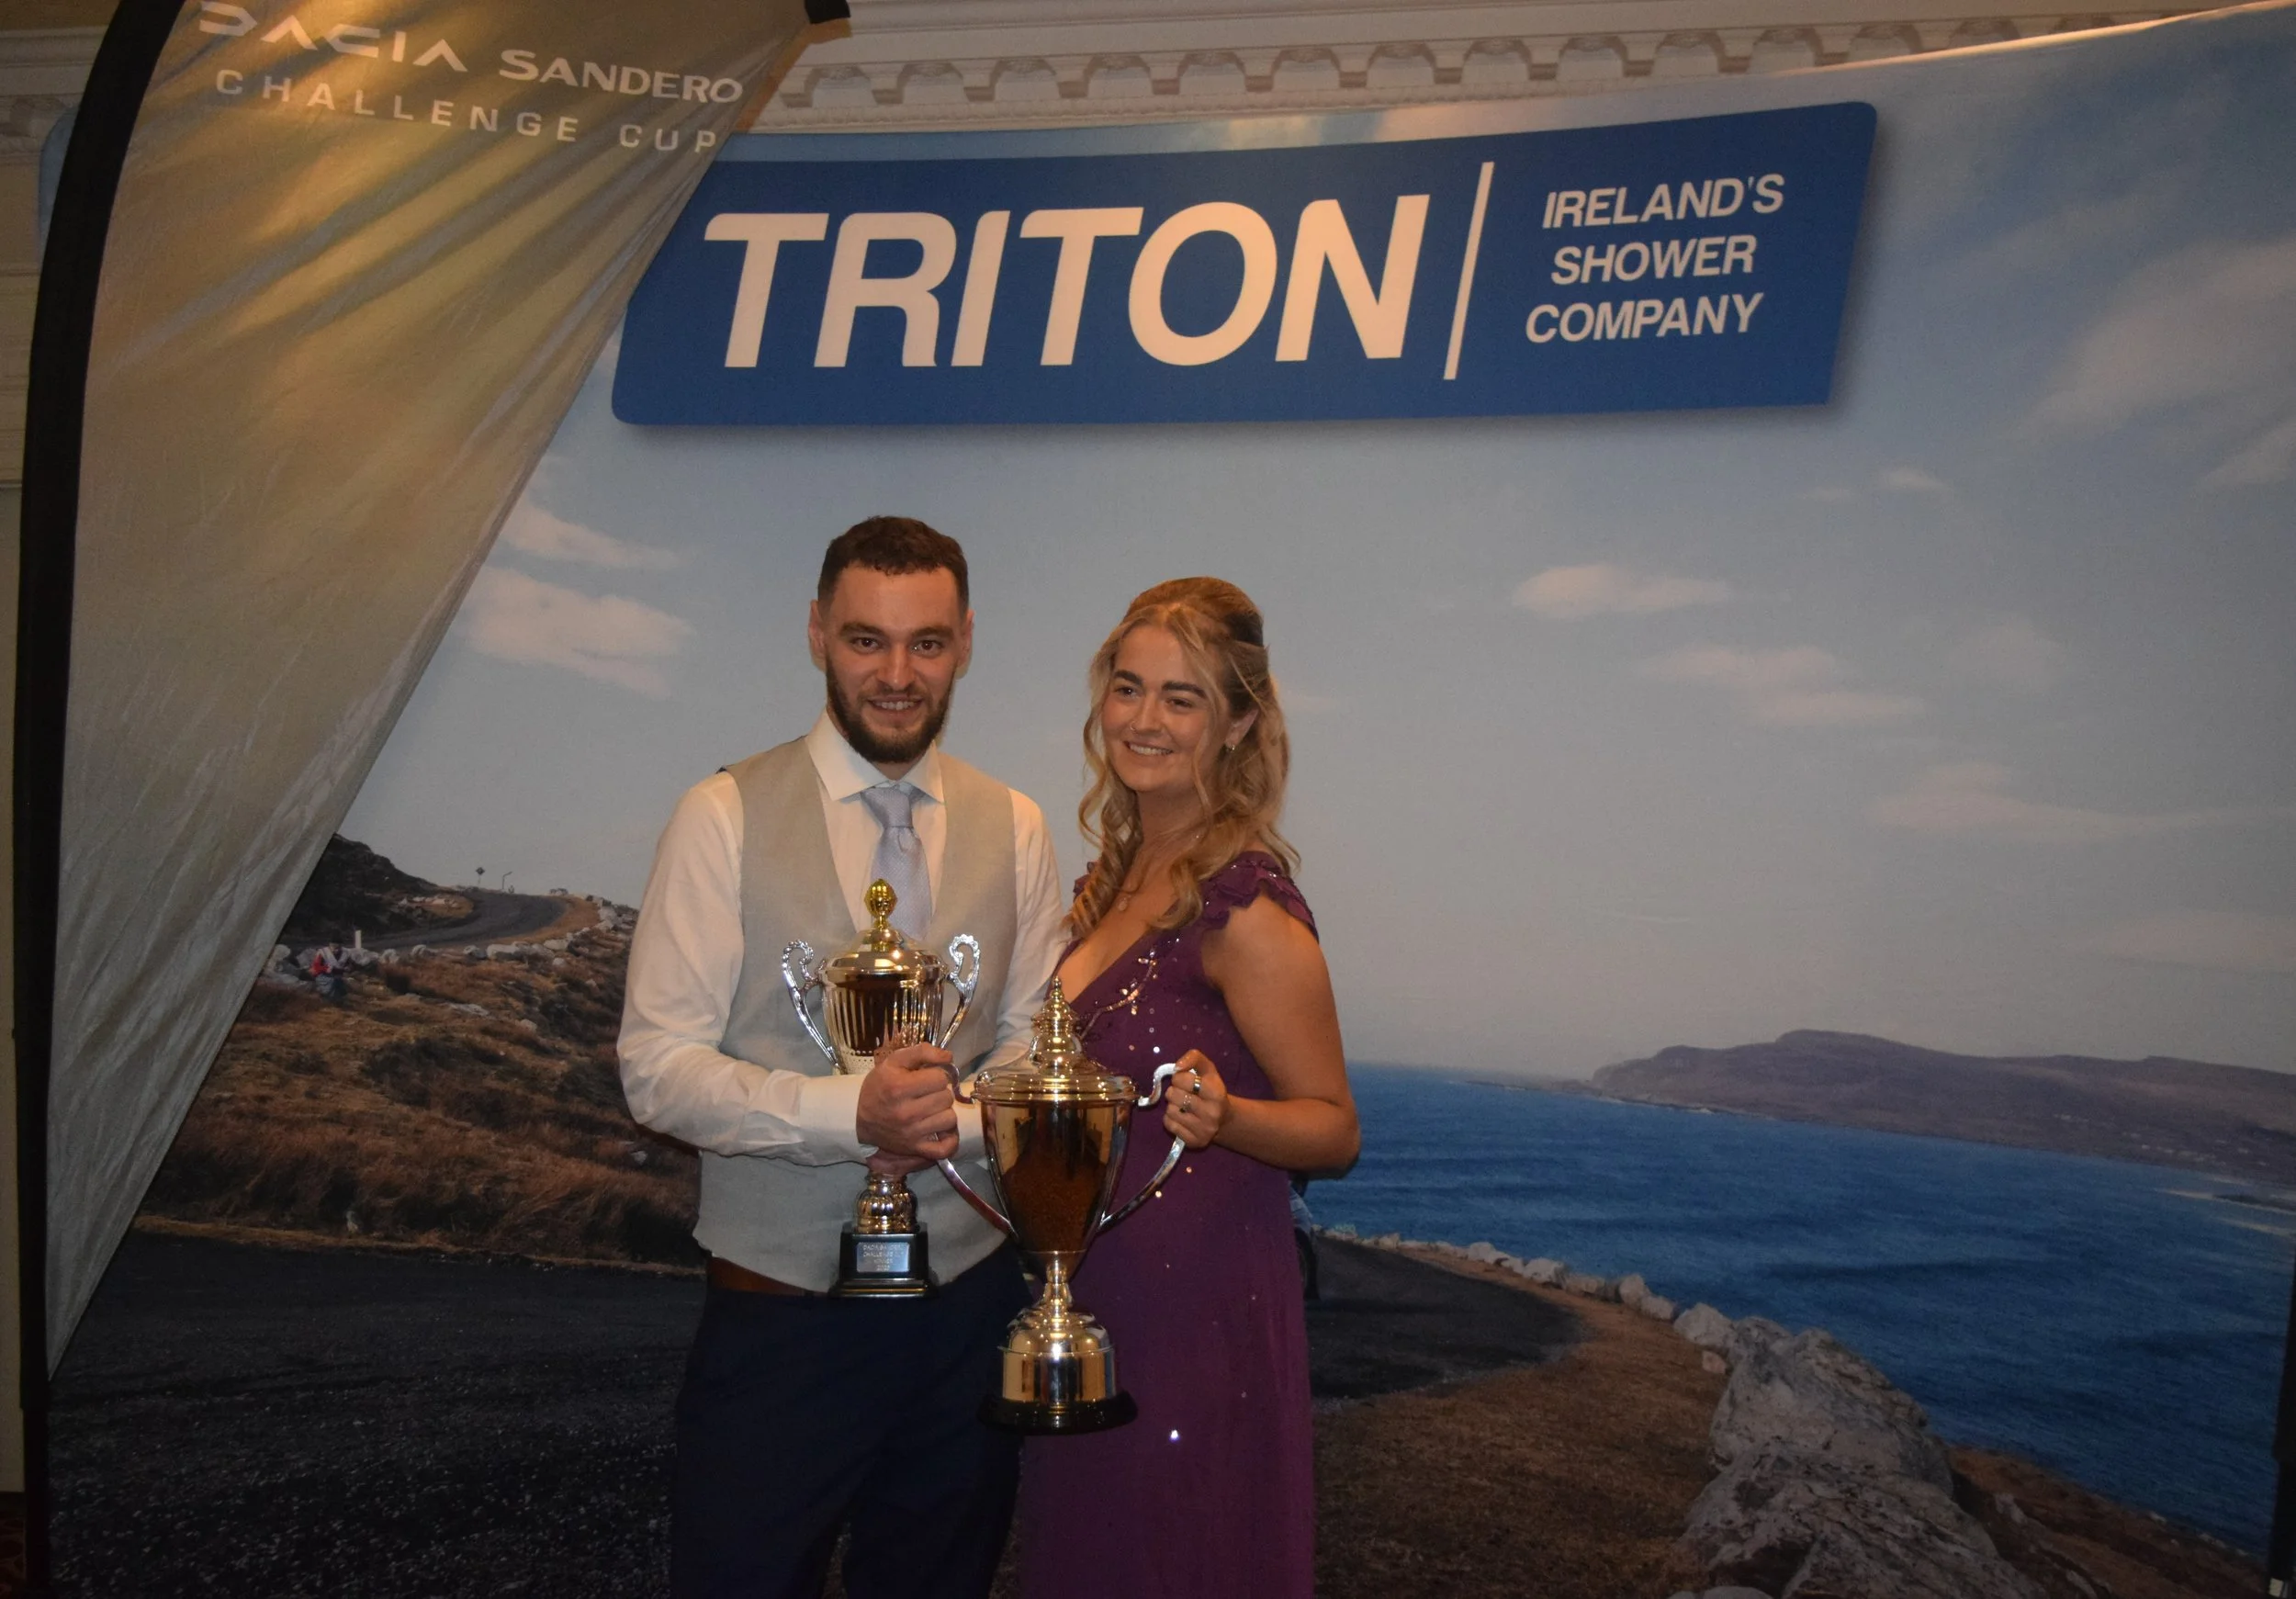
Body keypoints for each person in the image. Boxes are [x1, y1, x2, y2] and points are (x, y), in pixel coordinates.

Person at [618, 516, 1064, 1599]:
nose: (897, 674)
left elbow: (1031, 1050)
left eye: (926, 643)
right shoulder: (720, 815)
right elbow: (657, 1069)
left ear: (965, 643)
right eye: (867, 640)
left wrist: (944, 1125)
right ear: (817, 633)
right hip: (779, 1323)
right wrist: (850, 1116)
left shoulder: (1019, 827)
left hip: (964, 1317)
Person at [1017, 578, 1358, 1599]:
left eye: (1183, 697)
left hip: (1194, 1320)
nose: (1145, 719)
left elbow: (1334, 1129)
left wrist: (1231, 1117)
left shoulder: (1246, 909)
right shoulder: (1105, 885)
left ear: (1239, 722)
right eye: (1128, 688)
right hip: (1088, 1300)